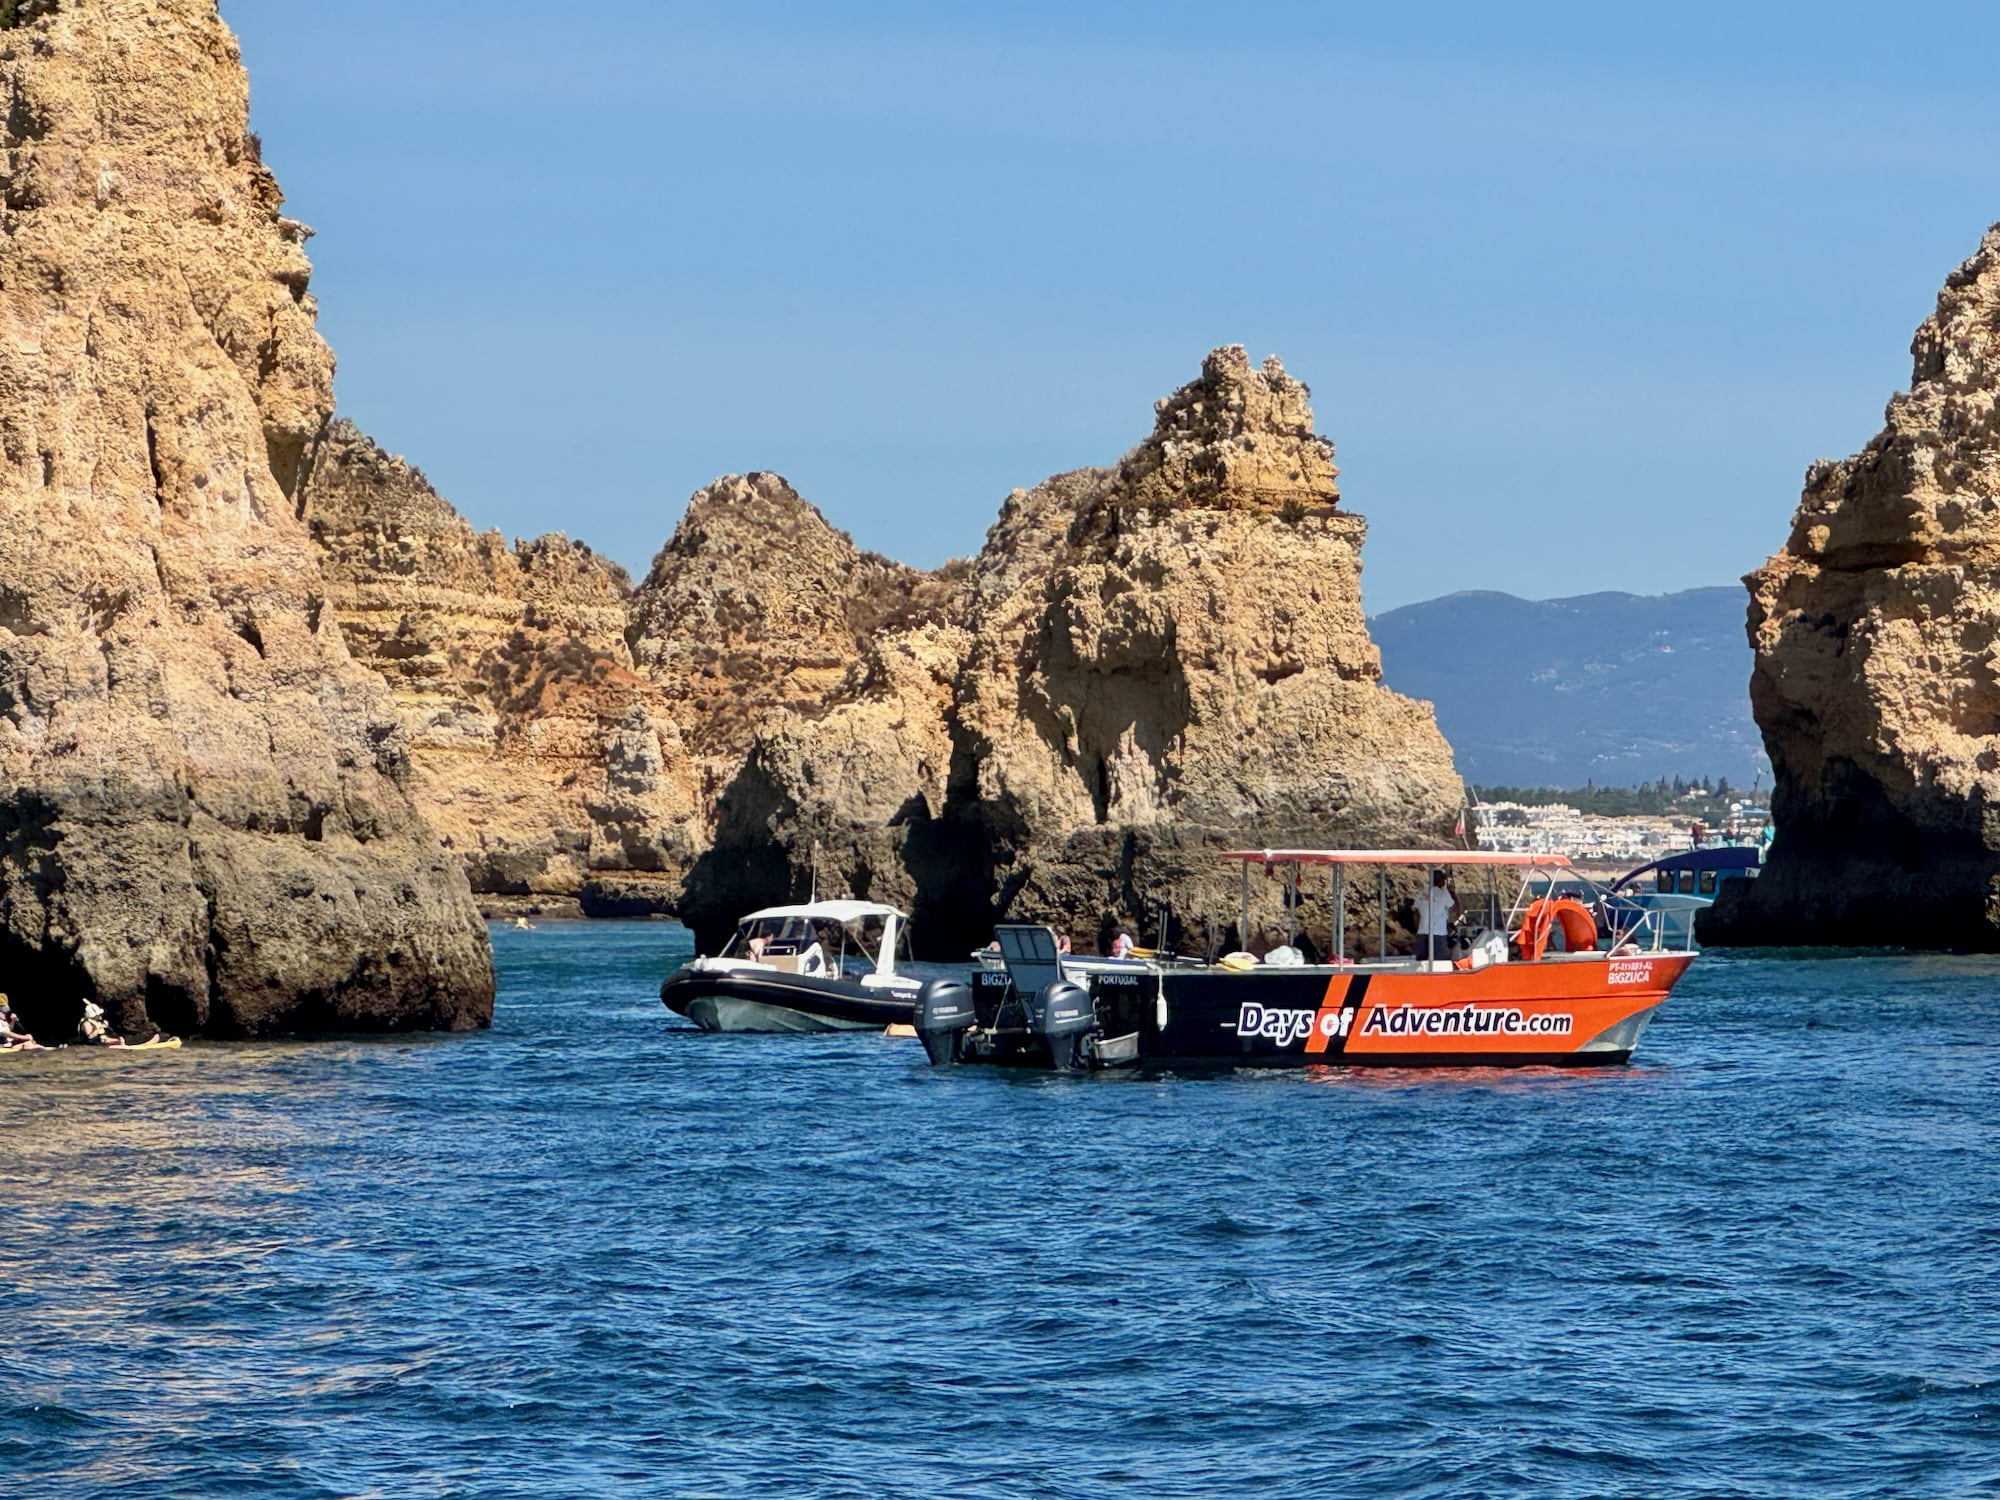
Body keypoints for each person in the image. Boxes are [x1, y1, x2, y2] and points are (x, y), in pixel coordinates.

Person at [1414, 870, 1455, 961]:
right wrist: (1452, 891)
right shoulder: (1443, 894)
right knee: (1441, 960)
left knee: (1422, 960)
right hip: (1438, 932)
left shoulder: (1421, 893)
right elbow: (1455, 908)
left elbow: (1416, 910)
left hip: (1422, 931)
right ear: (1441, 881)